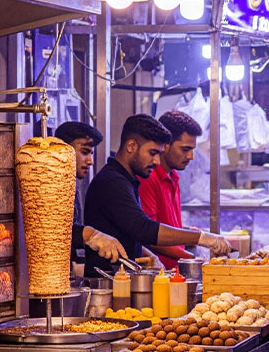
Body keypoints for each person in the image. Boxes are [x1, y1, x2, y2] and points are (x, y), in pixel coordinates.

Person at [84, 114, 229, 277]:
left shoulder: (127, 179)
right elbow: (143, 228)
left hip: (122, 280)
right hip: (106, 283)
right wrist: (202, 238)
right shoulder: (112, 181)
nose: (157, 161)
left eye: (159, 153)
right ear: (131, 146)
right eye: (152, 153)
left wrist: (148, 254)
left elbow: (127, 231)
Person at [54, 122, 126, 270]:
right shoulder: (49, 185)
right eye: (85, 152)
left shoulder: (71, 185)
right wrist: (91, 235)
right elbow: (53, 229)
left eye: (91, 154)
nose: (90, 161)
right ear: (63, 150)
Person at [138, 111, 202, 270]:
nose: (190, 156)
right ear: (165, 145)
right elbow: (149, 236)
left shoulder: (173, 176)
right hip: (158, 275)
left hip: (175, 273)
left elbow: (165, 223)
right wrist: (193, 258)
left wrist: (187, 232)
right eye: (185, 149)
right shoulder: (149, 178)